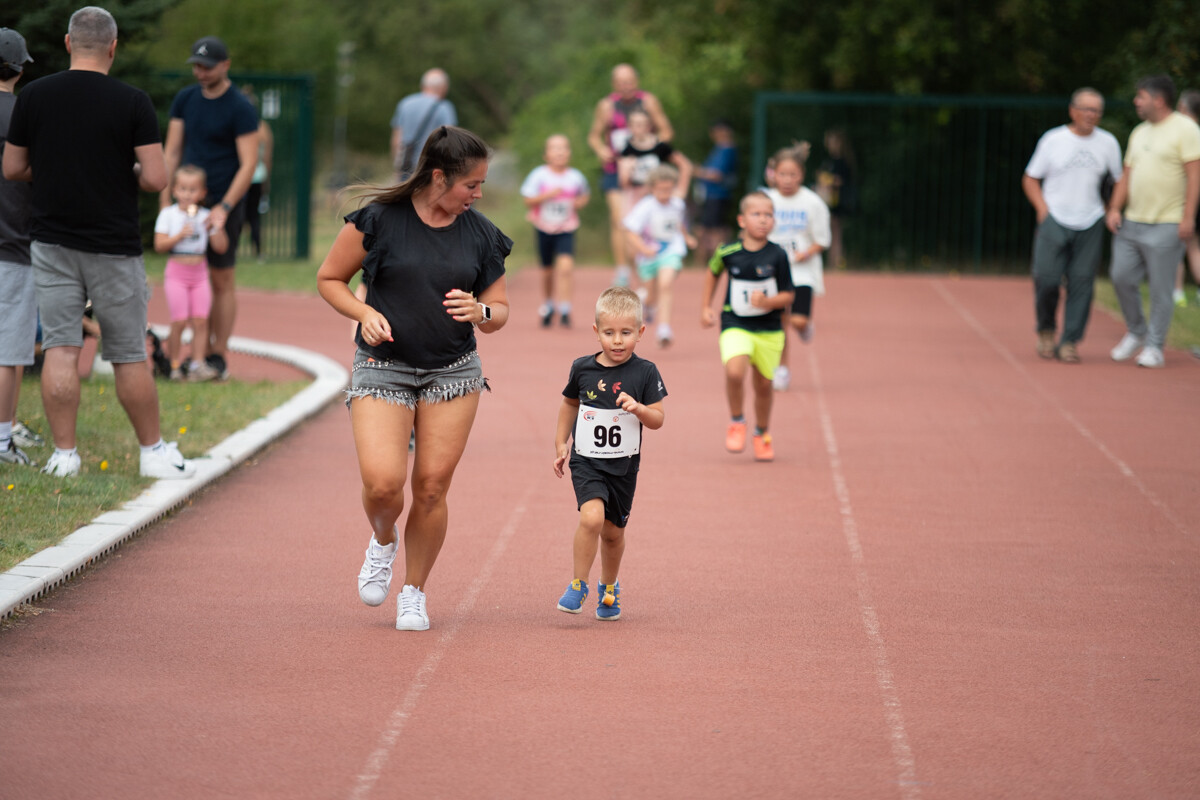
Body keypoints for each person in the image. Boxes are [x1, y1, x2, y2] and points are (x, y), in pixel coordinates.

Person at [317, 126, 511, 632]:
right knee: (384, 485)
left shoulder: (481, 234)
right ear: (439, 177)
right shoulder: (379, 220)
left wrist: (482, 311)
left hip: (453, 373)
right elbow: (330, 279)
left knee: (430, 488)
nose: (478, 194)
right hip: (384, 367)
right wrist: (363, 312)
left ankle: (414, 592)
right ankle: (384, 540)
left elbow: (500, 310)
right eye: (471, 184)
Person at [2, 6, 195, 480]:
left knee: (61, 347)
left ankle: (64, 456)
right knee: (128, 351)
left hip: (50, 241)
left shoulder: (34, 96)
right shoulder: (133, 101)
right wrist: (124, 171)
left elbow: (13, 168)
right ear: (113, 47)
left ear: (69, 43)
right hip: (114, 244)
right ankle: (152, 452)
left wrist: (54, 171)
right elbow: (156, 178)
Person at [553, 286, 666, 620]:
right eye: (609, 333)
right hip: (586, 460)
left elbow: (658, 419)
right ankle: (578, 584)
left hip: (623, 466)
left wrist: (639, 409)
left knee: (613, 534)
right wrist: (561, 443)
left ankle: (609, 586)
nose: (617, 341)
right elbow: (569, 404)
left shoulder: (646, 372)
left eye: (626, 333)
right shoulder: (582, 368)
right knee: (591, 517)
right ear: (596, 331)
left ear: (641, 332)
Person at [162, 35, 260, 381]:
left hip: (222, 203)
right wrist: (165, 198)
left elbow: (249, 163)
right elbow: (172, 151)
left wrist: (224, 207)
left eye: (207, 67)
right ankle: (186, 354)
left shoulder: (240, 107)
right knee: (184, 272)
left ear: (225, 65)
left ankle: (218, 354)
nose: (200, 72)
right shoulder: (185, 99)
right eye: (196, 66)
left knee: (221, 278)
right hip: (186, 201)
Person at [1021, 87, 1123, 364]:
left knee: (1082, 282)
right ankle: (1046, 330)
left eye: (1096, 111)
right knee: (1047, 279)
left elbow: (1119, 179)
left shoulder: (1108, 143)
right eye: (1086, 109)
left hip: (1090, 220)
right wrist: (1043, 210)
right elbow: (1030, 178)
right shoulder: (1053, 140)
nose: (1091, 115)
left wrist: (1112, 208)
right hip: (1055, 218)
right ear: (1072, 111)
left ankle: (1069, 341)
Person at [1106, 75, 1200, 369]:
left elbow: (1195, 176)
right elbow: (1127, 174)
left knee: (1161, 289)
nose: (1136, 101)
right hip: (1132, 221)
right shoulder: (1139, 132)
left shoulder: (1186, 129)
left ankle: (1155, 347)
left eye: (1141, 96)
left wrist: (1188, 217)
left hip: (1168, 223)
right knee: (1120, 277)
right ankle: (1137, 331)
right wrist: (1115, 208)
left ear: (1158, 100)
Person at [701, 191, 795, 462]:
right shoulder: (727, 251)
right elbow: (712, 272)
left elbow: (789, 295)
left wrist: (768, 302)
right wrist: (706, 306)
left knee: (764, 386)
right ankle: (737, 421)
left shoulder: (778, 255)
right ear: (742, 220)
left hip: (769, 329)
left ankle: (762, 433)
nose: (763, 220)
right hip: (736, 323)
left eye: (768, 215)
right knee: (734, 372)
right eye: (756, 214)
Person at [587, 63, 674, 287]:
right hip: (615, 170)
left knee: (644, 220)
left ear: (636, 81)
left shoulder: (648, 102)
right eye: (621, 82)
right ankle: (622, 269)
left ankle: (646, 266)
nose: (626, 86)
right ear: (614, 84)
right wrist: (601, 150)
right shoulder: (606, 105)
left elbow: (666, 130)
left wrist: (651, 146)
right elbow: (594, 136)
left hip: (644, 174)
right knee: (619, 220)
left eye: (630, 81)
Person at [154, 165, 229, 381]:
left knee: (200, 321)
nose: (187, 194)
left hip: (199, 274)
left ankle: (197, 364)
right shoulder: (168, 214)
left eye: (193, 190)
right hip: (177, 273)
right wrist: (178, 236)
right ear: (174, 190)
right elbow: (159, 245)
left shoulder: (205, 216)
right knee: (179, 321)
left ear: (202, 193)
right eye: (183, 189)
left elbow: (221, 247)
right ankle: (174, 365)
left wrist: (217, 227)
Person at [764, 147, 831, 391]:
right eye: (783, 174)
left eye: (793, 174)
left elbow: (822, 240)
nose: (787, 180)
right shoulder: (766, 200)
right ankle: (782, 368)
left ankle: (804, 327)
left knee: (797, 321)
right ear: (774, 174)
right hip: (775, 271)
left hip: (803, 271)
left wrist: (806, 252)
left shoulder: (813, 203)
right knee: (780, 321)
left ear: (801, 175)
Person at [0, 26, 36, 467]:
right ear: (20, 69)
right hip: (13, 241)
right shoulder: (24, 114)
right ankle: (2, 438)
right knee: (8, 352)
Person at [623, 164, 697, 347]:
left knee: (665, 284)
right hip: (649, 256)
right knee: (650, 295)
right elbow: (630, 231)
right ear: (652, 188)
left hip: (671, 250)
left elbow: (679, 223)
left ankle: (664, 329)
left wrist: (687, 237)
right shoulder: (645, 207)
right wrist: (643, 248)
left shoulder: (677, 204)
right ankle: (647, 304)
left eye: (668, 189)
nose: (665, 194)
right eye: (661, 189)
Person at [520, 134, 589, 328]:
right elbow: (527, 200)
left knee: (566, 266)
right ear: (546, 154)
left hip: (566, 227)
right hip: (544, 227)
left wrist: (579, 203)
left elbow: (584, 195)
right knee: (547, 271)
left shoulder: (575, 177)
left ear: (569, 153)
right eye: (555, 148)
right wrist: (548, 195)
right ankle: (549, 304)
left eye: (563, 148)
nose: (560, 152)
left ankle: (565, 308)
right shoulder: (538, 175)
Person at [617, 108, 692, 211]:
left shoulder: (660, 147)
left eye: (641, 124)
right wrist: (626, 173)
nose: (637, 128)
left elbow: (685, 165)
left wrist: (681, 190)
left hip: (661, 196)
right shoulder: (626, 150)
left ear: (649, 126)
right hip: (638, 198)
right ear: (629, 126)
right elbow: (624, 184)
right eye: (634, 124)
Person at [390, 68, 456, 183]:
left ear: (423, 85)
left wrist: (397, 167)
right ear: (443, 88)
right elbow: (450, 140)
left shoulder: (405, 103)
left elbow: (396, 139)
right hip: (432, 167)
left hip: (407, 166)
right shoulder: (444, 107)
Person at [693, 119, 738, 268]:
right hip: (710, 196)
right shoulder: (718, 149)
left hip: (717, 196)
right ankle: (708, 263)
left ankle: (717, 263)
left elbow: (716, 175)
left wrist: (697, 171)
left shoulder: (727, 150)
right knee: (707, 229)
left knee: (715, 231)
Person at [1173, 89, 1200, 307]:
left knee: (1177, 246)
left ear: (1183, 108)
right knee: (1194, 246)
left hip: (1185, 196)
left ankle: (1177, 292)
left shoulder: (1183, 133)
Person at [240, 85, 273, 261]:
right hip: (258, 176)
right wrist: (266, 181)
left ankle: (233, 251)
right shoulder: (263, 128)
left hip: (242, 177)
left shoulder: (240, 126)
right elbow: (267, 157)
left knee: (239, 214)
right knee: (254, 216)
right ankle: (259, 252)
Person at [815, 129, 856, 270]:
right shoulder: (828, 161)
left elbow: (841, 181)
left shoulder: (843, 161)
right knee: (831, 231)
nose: (830, 145)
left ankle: (836, 262)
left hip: (837, 201)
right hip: (827, 200)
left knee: (836, 232)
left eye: (833, 142)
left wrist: (828, 180)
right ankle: (833, 262)